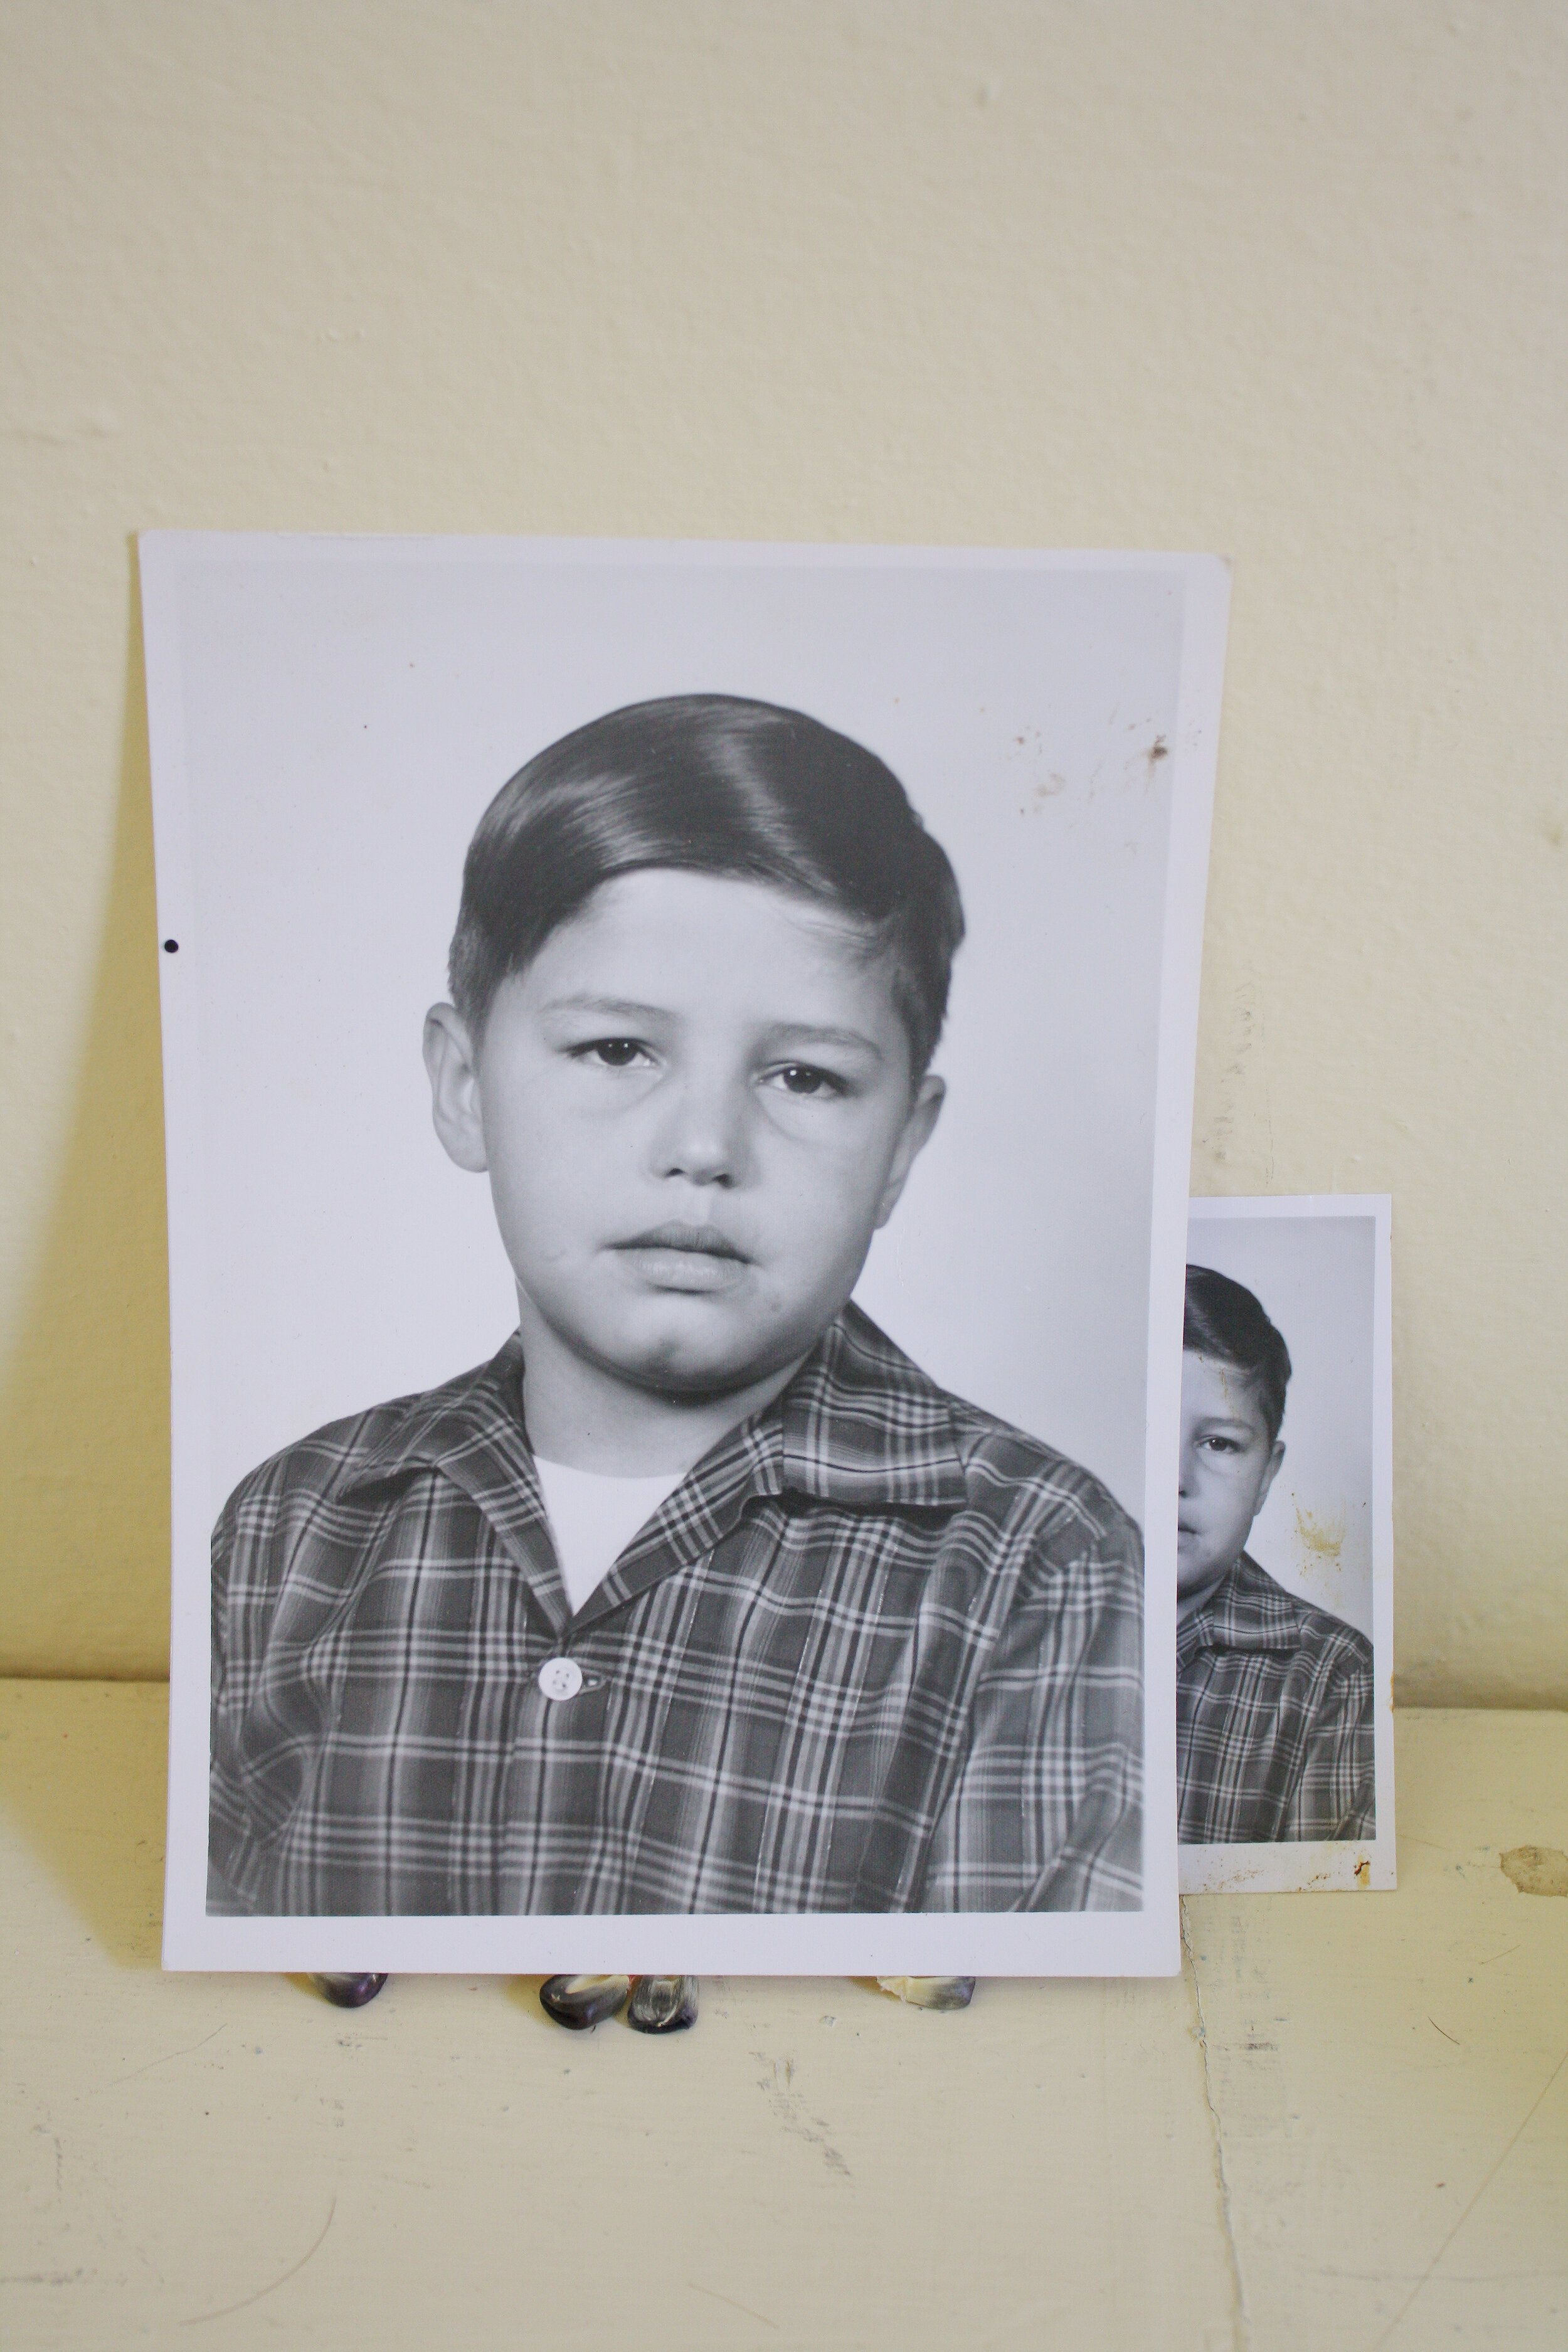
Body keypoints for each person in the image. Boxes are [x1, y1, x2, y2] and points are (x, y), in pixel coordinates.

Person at [208, 693, 1143, 1916]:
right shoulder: (287, 1531)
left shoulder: (1044, 1569)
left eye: (804, 1077)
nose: (703, 1147)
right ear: (460, 1087)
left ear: (902, 1147)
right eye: (614, 1052)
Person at [1177, 1264, 1375, 1843]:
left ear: (1266, 1475)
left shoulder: (1333, 1680)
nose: (1177, 1478)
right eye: (1149, 1433)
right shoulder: (1014, 1615)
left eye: (1219, 1443)